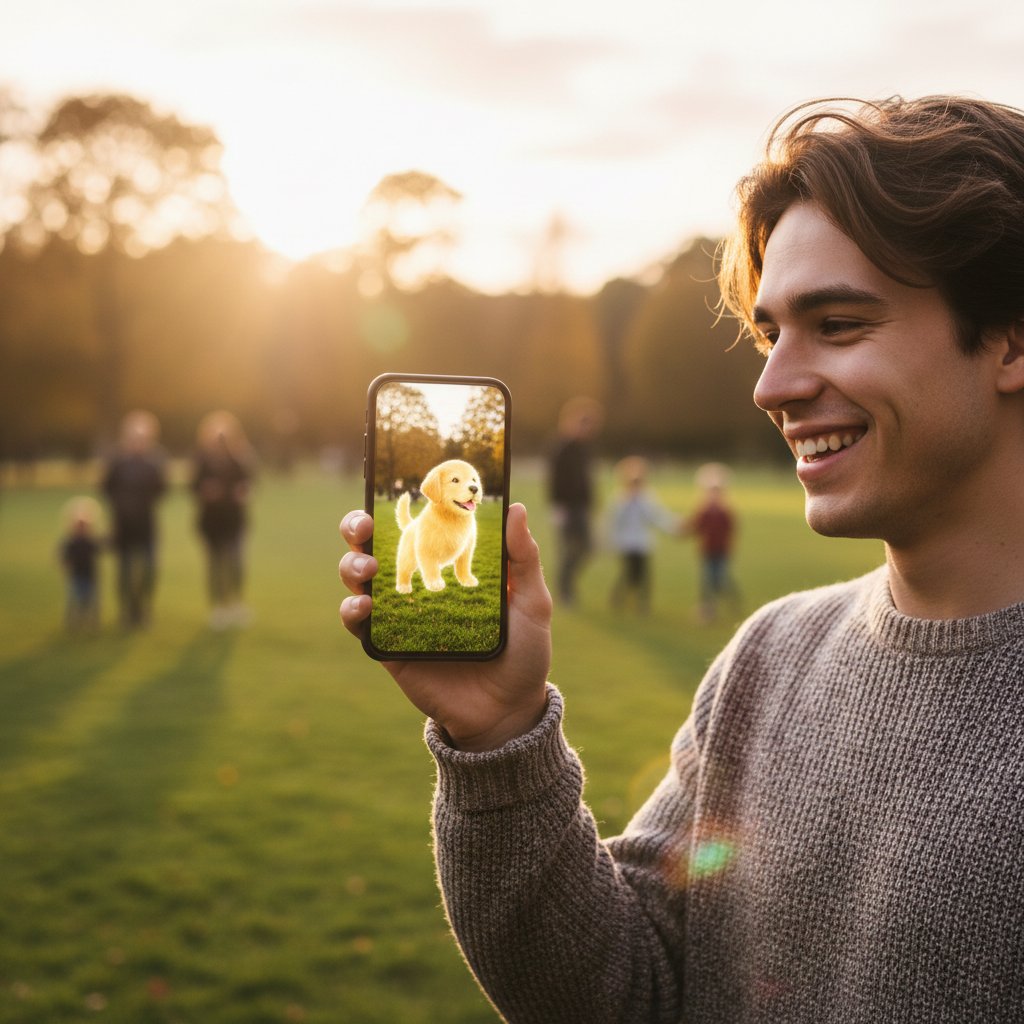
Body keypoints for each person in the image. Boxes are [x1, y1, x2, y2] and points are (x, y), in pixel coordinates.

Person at [337, 95, 1024, 1023]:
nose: (771, 384)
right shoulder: (768, 658)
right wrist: (499, 734)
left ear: (1010, 336)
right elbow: (630, 990)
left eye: (839, 324)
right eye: (773, 331)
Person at [102, 410, 167, 629]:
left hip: (147, 523)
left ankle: (143, 606)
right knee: (124, 570)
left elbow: (162, 489)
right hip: (123, 524)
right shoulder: (117, 461)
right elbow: (106, 488)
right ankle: (127, 610)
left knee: (149, 568)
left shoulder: (155, 461)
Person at [191, 410, 255, 629]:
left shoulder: (240, 458)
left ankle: (236, 603)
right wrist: (205, 491)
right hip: (211, 523)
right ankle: (218, 607)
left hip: (234, 521)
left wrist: (243, 492)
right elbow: (193, 486)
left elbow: (249, 483)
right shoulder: (202, 461)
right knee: (215, 566)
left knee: (236, 564)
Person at [546, 395, 603, 606]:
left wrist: (592, 502)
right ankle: (565, 590)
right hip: (566, 507)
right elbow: (554, 478)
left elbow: (587, 478)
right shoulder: (562, 447)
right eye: (583, 423)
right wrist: (557, 507)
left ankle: (566, 585)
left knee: (587, 548)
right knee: (568, 548)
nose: (586, 429)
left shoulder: (586, 448)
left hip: (581, 507)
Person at [606, 456, 680, 613]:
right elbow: (614, 521)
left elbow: (657, 516)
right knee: (629, 574)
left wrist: (674, 526)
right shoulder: (620, 499)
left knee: (644, 575)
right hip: (627, 543)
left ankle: (643, 603)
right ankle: (618, 597)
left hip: (642, 543)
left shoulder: (647, 498)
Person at [686, 462, 739, 623]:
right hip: (707, 551)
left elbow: (731, 530)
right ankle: (708, 610)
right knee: (707, 582)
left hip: (721, 551)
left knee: (720, 580)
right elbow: (695, 526)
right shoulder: (704, 510)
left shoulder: (725, 512)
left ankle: (733, 602)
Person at [59, 496, 103, 632]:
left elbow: (101, 549)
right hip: (76, 576)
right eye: (79, 525)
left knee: (92, 601)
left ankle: (93, 623)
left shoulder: (92, 541)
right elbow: (64, 557)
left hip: (91, 576)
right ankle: (72, 622)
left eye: (84, 525)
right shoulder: (70, 542)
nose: (82, 528)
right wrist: (66, 565)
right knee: (74, 600)